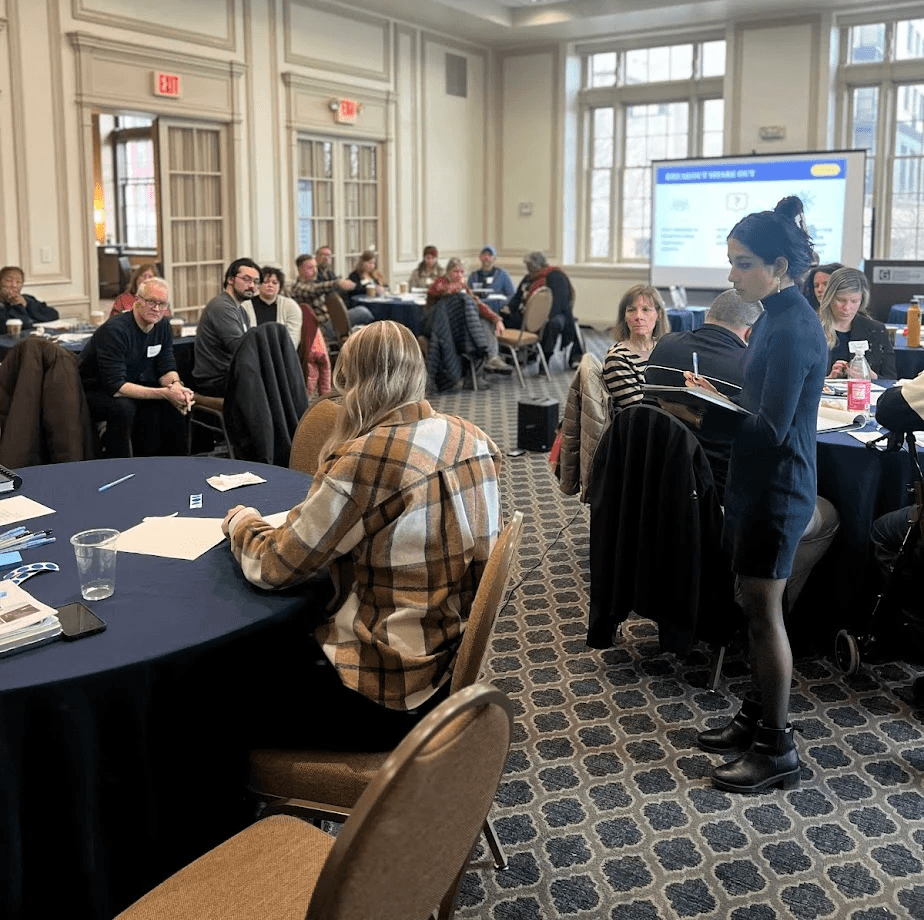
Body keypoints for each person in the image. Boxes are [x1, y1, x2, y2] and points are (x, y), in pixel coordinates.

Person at [221, 320, 502, 748]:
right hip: (450, 662)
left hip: (386, 687)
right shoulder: (473, 437)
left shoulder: (369, 457)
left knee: (213, 690)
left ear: (355, 385)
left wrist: (242, 523)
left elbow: (274, 565)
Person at [689, 196, 826, 793]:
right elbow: (759, 401)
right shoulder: (774, 312)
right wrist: (715, 391)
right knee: (750, 607)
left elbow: (771, 429)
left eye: (742, 264)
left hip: (778, 486)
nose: (731, 275)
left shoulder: (794, 326)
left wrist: (704, 414)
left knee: (765, 613)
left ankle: (777, 748)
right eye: (731, 263)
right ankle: (754, 717)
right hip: (758, 480)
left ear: (778, 265)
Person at [645, 289, 763, 499]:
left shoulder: (664, 345)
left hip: (654, 467)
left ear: (709, 315)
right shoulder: (750, 368)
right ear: (751, 332)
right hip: (716, 484)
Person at [79, 277, 194, 458]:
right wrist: (165, 393)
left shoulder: (162, 325)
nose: (156, 309)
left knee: (177, 402)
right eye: (151, 302)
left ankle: (176, 465)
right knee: (125, 406)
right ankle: (120, 467)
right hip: (96, 391)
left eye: (162, 304)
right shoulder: (115, 331)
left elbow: (166, 366)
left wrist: (176, 386)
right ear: (137, 301)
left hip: (130, 383)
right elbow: (116, 386)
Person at [426, 258, 511, 375]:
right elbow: (441, 290)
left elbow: (478, 303)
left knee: (486, 321)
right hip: (441, 326)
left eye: (462, 272)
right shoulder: (441, 282)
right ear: (448, 272)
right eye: (456, 271)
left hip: (462, 325)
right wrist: (458, 285)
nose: (459, 274)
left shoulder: (462, 286)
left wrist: (497, 319)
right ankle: (488, 358)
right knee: (478, 326)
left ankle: (491, 357)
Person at [193, 258, 261, 396]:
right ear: (230, 279)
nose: (252, 286)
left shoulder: (241, 311)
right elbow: (239, 347)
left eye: (255, 281)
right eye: (246, 279)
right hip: (213, 380)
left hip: (231, 375)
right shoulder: (222, 307)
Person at [505, 251, 583, 366]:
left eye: (529, 265)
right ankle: (511, 356)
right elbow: (518, 297)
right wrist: (509, 308)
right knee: (503, 318)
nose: (527, 268)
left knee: (552, 324)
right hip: (528, 314)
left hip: (555, 314)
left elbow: (559, 302)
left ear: (536, 265)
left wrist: (542, 317)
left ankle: (545, 359)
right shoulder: (529, 278)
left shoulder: (556, 276)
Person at [602, 284, 670, 411]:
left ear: (659, 315)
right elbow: (640, 411)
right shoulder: (617, 357)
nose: (638, 316)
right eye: (631, 310)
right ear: (624, 317)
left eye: (646, 309)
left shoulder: (665, 350)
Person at [819, 266, 895, 379]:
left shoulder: (876, 330)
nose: (847, 308)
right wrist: (829, 380)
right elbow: (799, 378)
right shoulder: (813, 329)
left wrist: (870, 375)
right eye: (840, 300)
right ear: (830, 297)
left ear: (862, 300)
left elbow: (891, 380)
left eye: (854, 301)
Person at [288, 254, 371, 339]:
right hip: (321, 328)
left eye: (315, 267)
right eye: (310, 268)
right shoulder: (297, 288)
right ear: (300, 270)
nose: (315, 271)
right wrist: (337, 283)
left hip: (330, 322)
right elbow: (314, 289)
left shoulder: (314, 282)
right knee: (364, 312)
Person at [243, 265, 302, 350]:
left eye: (274, 283)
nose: (270, 285)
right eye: (266, 282)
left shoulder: (290, 306)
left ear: (280, 286)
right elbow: (244, 336)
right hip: (253, 353)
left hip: (282, 354)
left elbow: (293, 338)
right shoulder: (245, 306)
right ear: (258, 285)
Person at [0, 265, 59, 334]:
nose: (14, 285)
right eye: (9, 281)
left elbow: (53, 315)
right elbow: (24, 324)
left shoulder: (26, 300)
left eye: (18, 282)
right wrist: (17, 306)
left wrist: (26, 304)